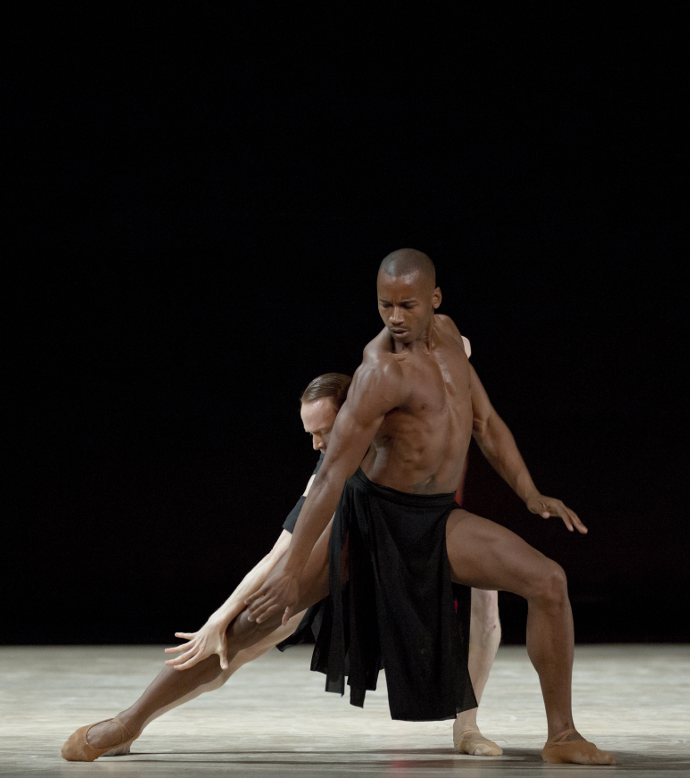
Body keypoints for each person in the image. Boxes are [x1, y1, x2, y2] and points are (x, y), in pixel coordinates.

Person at [234, 249, 614, 764]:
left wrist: (529, 492)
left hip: (433, 518)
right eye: (384, 305)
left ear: (434, 300)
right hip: (373, 519)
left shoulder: (451, 339)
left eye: (406, 305)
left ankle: (559, 736)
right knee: (254, 623)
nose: (394, 318)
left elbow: (486, 424)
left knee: (547, 581)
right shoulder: (379, 371)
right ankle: (132, 719)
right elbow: (326, 481)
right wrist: (284, 572)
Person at [62, 367, 502, 761]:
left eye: (324, 430)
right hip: (349, 563)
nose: (318, 444)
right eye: (311, 435)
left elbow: (450, 356)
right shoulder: (330, 472)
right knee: (236, 643)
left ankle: (467, 726)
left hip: (423, 537)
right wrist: (221, 615)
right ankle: (132, 723)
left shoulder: (409, 418)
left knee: (486, 601)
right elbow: (279, 554)